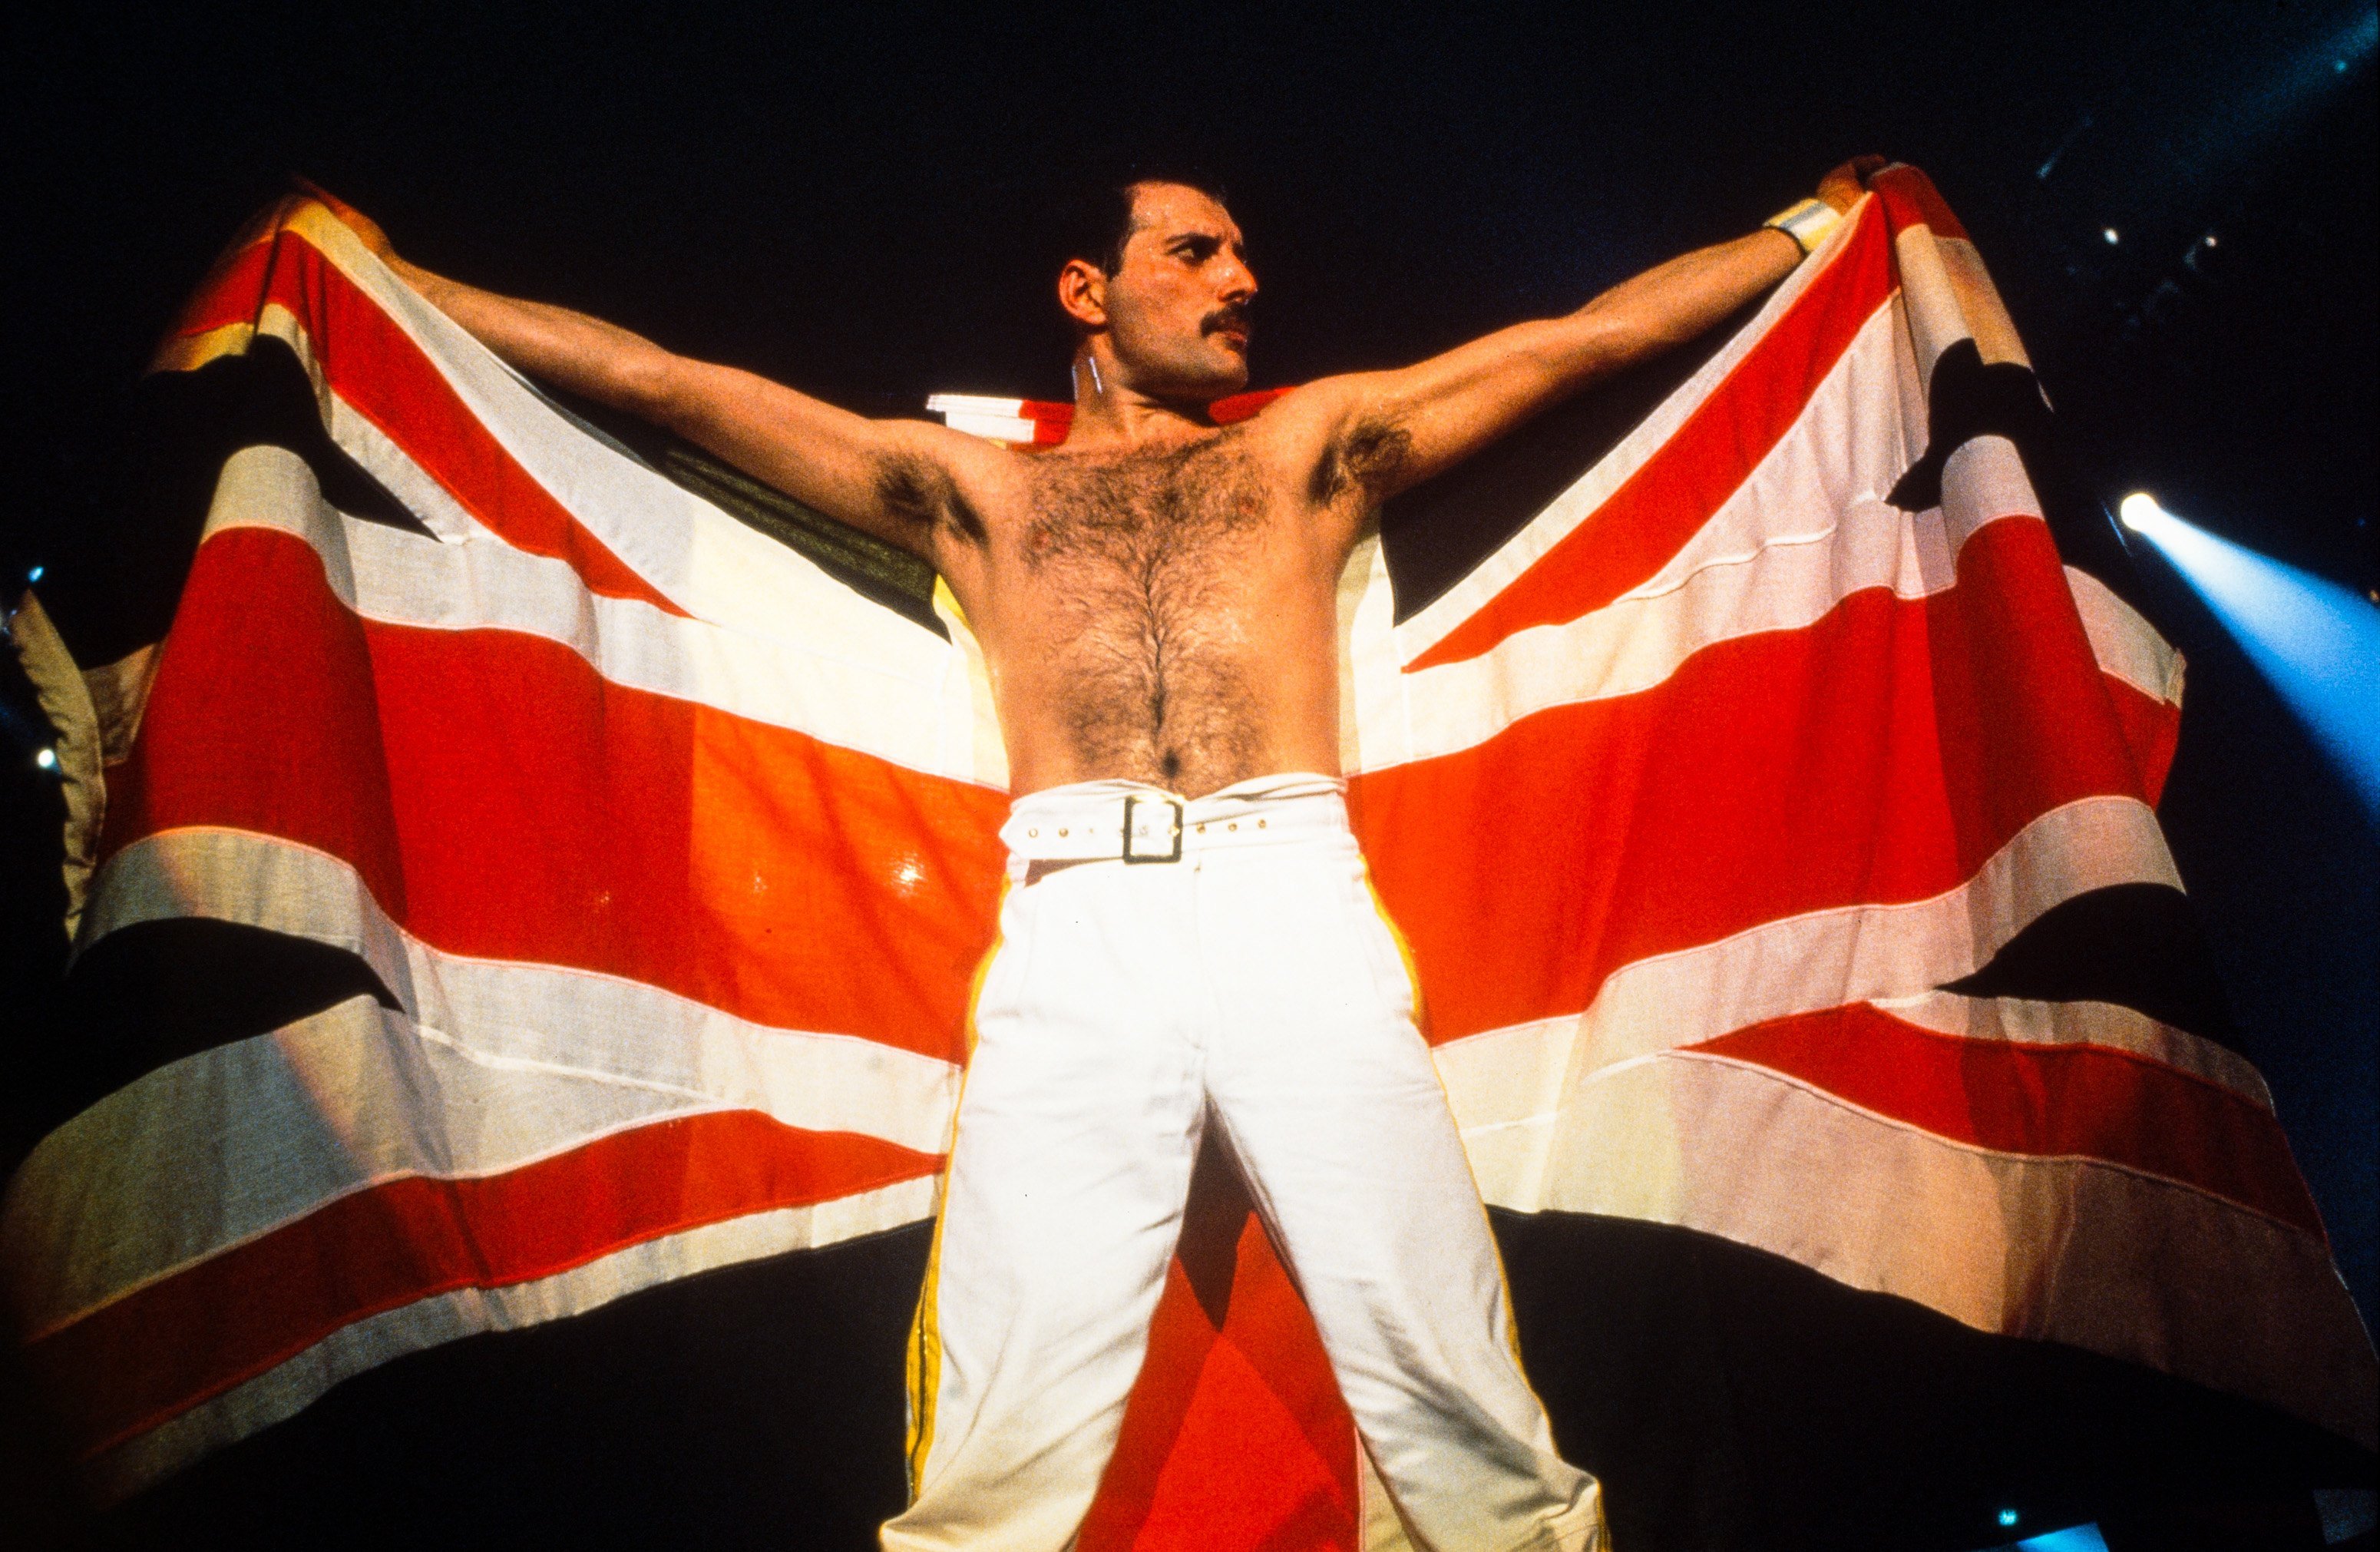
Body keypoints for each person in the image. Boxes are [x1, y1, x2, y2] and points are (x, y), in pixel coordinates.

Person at [318, 156, 1875, 1550]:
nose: (1240, 282)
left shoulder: (1310, 449)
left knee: (1433, 1341)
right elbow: (663, 384)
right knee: (1020, 1369)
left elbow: (1581, 340)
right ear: (1087, 289)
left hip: (1286, 887)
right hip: (1077, 909)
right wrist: (384, 280)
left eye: (1240, 256)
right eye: (1194, 252)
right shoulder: (974, 492)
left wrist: (1806, 230)